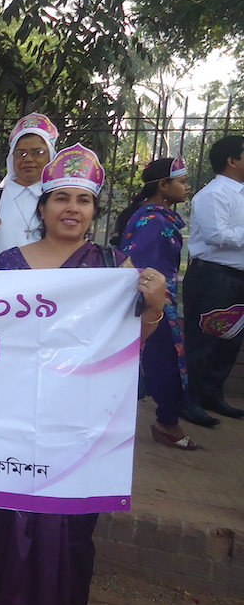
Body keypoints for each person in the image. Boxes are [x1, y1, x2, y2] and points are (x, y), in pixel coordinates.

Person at [0, 144, 167, 605]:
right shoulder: (10, 264)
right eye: (60, 199)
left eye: (83, 200)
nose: (71, 209)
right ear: (44, 207)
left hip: (83, 419)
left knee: (71, 526)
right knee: (15, 517)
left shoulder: (110, 268)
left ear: (95, 212)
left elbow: (134, 343)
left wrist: (152, 304)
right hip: (18, 410)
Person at [117, 157, 201, 443]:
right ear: (164, 185)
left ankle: (167, 421)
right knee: (164, 362)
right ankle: (166, 423)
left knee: (158, 361)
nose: (187, 187)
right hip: (153, 304)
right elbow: (142, 266)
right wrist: (154, 305)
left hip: (158, 300)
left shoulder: (154, 217)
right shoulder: (153, 221)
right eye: (183, 182)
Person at [182, 135, 244, 423]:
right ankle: (189, 399)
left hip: (236, 277)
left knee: (228, 341)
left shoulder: (240, 193)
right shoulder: (213, 194)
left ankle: (212, 394)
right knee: (203, 340)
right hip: (213, 277)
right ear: (232, 161)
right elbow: (215, 236)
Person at [0, 113, 59, 264]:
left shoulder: (59, 199)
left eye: (38, 152)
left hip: (45, 284)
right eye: (21, 153)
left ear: (51, 157)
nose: (28, 159)